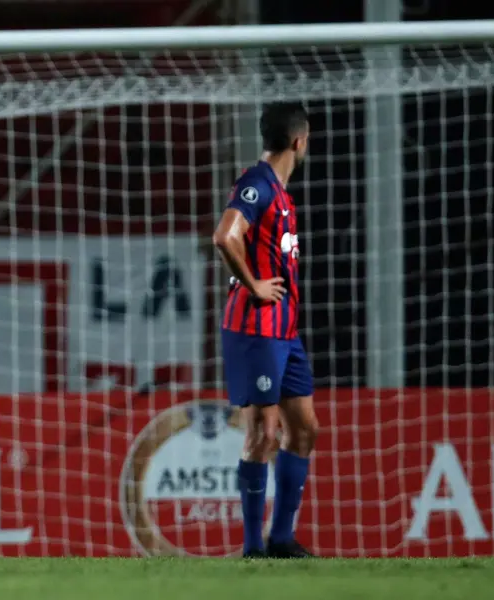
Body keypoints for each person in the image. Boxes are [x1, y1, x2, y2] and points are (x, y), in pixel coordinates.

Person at [213, 102, 319, 559]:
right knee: (264, 433)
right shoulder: (257, 184)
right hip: (256, 328)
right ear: (300, 141)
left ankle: (281, 537)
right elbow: (224, 235)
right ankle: (254, 548)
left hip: (284, 331)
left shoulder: (280, 191)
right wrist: (254, 283)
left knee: (306, 429)